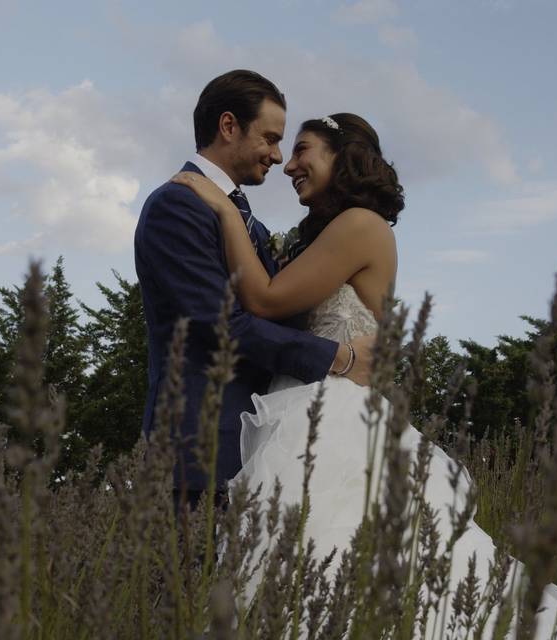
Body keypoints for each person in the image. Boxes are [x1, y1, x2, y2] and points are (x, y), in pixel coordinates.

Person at [172, 112, 557, 638]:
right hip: (293, 412)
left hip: (331, 417)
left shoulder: (361, 225)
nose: (289, 164)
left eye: (303, 150)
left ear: (343, 157)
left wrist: (225, 214)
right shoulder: (314, 235)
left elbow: (267, 301)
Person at [134, 70, 377, 516]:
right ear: (229, 126)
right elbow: (221, 326)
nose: (277, 155)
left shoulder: (248, 224)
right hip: (201, 452)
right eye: (269, 138)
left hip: (259, 454)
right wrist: (340, 359)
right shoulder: (178, 205)